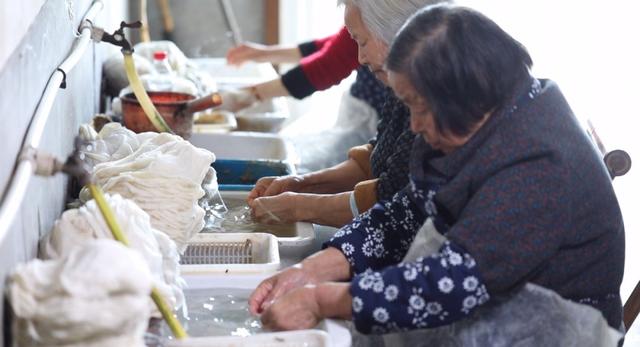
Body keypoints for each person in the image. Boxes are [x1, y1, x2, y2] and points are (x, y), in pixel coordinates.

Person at [248, 4, 625, 344]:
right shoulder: (475, 116)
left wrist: (322, 297)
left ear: (462, 92)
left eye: (418, 108)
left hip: (549, 331)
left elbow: (453, 282)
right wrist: (310, 270)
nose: (415, 125)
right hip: (481, 302)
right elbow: (409, 211)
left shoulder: (538, 164)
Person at [247, 0, 443, 227]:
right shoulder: (400, 85)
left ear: (398, 35)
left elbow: (392, 198)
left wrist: (298, 205)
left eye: (362, 41)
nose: (360, 58)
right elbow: (375, 157)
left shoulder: (437, 99)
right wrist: (301, 184)